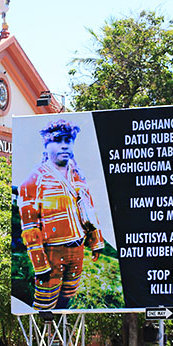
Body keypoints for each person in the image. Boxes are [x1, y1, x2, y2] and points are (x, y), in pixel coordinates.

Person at [18, 119, 105, 310]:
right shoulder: (34, 179)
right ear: (47, 144)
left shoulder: (78, 175)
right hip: (52, 253)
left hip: (78, 250)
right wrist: (40, 264)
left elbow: (89, 209)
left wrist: (95, 241)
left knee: (68, 299)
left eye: (69, 140)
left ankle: (64, 335)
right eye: (58, 140)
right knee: (45, 303)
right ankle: (47, 335)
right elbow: (30, 226)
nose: (65, 145)